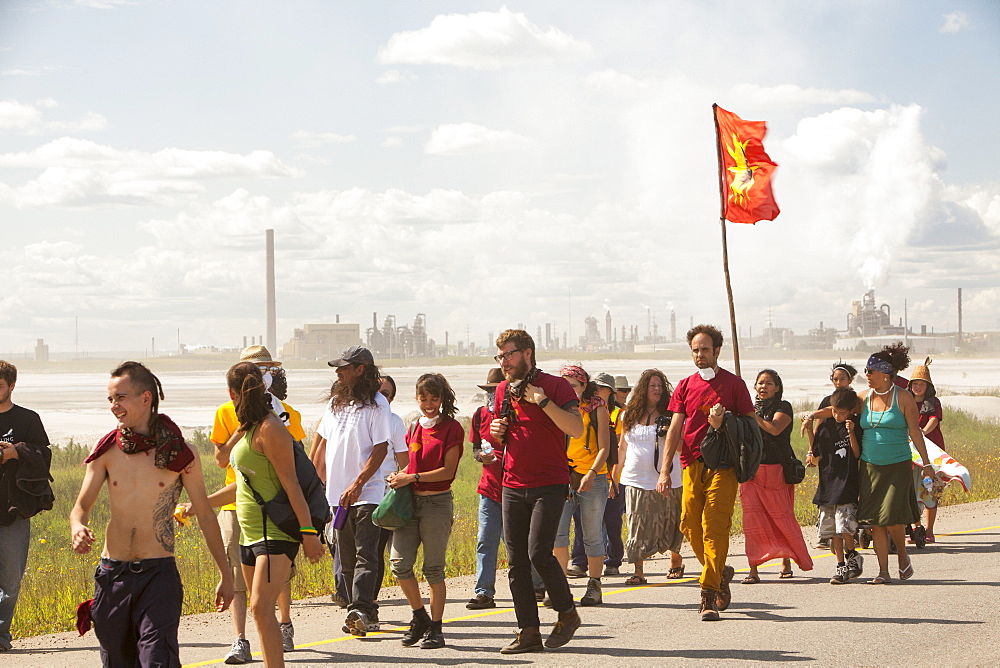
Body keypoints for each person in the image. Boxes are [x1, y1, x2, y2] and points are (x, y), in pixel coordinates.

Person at [70, 361, 234, 667]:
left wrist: (226, 574)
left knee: (158, 659)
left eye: (121, 397)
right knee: (118, 661)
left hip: (158, 575)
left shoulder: (180, 454)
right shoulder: (106, 450)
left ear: (146, 398)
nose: (114, 406)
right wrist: (78, 526)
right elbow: (80, 508)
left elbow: (206, 516)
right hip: (112, 575)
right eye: (110, 400)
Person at [487, 329, 584, 653]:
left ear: (527, 353)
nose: (504, 362)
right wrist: (497, 433)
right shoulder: (502, 390)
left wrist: (542, 400)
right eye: (499, 356)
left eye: (509, 355)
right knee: (516, 563)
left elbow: (575, 427)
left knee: (538, 553)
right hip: (513, 484)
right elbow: (502, 436)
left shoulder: (555, 386)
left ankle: (567, 614)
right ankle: (528, 631)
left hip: (550, 483)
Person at [209, 345, 307, 663]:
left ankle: (284, 623)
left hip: (275, 513)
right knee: (244, 586)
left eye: (265, 369)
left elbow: (292, 472)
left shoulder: (284, 415)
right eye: (254, 369)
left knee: (270, 592)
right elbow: (222, 459)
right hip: (238, 504)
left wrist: (307, 529)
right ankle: (241, 639)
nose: (261, 375)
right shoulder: (227, 412)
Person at [227, 362, 324, 668]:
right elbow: (238, 479)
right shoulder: (249, 429)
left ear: (232, 393)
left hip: (276, 532)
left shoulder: (270, 428)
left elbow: (291, 483)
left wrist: (309, 534)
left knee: (259, 606)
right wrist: (199, 502)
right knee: (261, 612)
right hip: (250, 531)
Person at [656, 325, 755, 621]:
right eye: (696, 350)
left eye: (706, 350)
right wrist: (665, 470)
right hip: (691, 464)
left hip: (723, 465)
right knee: (688, 523)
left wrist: (726, 422)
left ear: (717, 351)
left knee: (715, 528)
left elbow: (750, 426)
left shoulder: (734, 384)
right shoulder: (685, 385)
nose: (700, 355)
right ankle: (719, 569)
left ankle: (708, 593)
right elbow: (675, 428)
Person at [309, 345, 390, 636]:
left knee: (366, 554)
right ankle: (359, 609)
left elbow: (381, 449)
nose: (338, 372)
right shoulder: (335, 404)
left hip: (367, 494)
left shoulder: (378, 404)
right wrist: (315, 483)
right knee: (345, 557)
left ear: (360, 369)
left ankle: (361, 608)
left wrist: (358, 484)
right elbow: (323, 444)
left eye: (344, 367)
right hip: (337, 496)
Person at [388, 373, 464, 650]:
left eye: (434, 398)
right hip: (410, 504)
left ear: (442, 399)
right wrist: (399, 476)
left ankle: (437, 627)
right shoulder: (413, 427)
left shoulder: (452, 428)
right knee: (399, 564)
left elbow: (448, 470)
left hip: (437, 503)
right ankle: (419, 616)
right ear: (416, 398)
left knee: (433, 570)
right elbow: (410, 465)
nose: (429, 404)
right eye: (423, 398)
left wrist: (413, 477)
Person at [854, 343, 934, 584]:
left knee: (892, 517)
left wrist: (927, 463)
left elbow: (915, 432)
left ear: (885, 374)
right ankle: (883, 572)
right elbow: (838, 409)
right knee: (876, 521)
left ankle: (901, 555)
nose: (867, 375)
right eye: (866, 371)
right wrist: (812, 416)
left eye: (871, 371)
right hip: (870, 466)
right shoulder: (862, 397)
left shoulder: (904, 397)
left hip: (898, 464)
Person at [740, 369, 813, 583]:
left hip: (776, 470)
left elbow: (774, 429)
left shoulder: (783, 407)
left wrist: (751, 415)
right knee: (752, 521)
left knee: (781, 518)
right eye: (760, 383)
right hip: (751, 471)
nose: (763, 387)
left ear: (777, 387)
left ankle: (787, 560)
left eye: (768, 383)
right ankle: (753, 569)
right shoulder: (747, 409)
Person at [0, 361, 53, 652]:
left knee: (10, 580)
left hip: (13, 509)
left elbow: (44, 456)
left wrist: (15, 453)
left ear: (11, 386)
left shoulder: (27, 419)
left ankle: (0, 636)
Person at [615, 368, 684, 585]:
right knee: (636, 523)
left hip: (668, 478)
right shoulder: (628, 415)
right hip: (635, 478)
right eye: (652, 386)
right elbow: (622, 448)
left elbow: (683, 448)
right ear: (643, 389)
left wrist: (667, 432)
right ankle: (638, 570)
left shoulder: (673, 416)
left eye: (660, 386)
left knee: (670, 521)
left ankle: (675, 562)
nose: (656, 389)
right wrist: (613, 478)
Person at [553, 365, 611, 607]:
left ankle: (594, 584)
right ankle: (559, 587)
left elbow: (605, 448)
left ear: (584, 385)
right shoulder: (557, 408)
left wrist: (591, 473)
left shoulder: (597, 408)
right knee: (557, 534)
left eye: (574, 386)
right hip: (563, 476)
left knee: (592, 534)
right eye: (564, 386)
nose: (569, 391)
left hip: (593, 477)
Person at [805, 386, 864, 584]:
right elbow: (816, 455)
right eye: (835, 412)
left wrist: (851, 433)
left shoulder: (854, 425)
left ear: (851, 411)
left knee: (845, 528)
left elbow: (856, 453)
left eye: (843, 413)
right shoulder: (825, 426)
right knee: (831, 532)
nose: (838, 416)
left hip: (846, 484)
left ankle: (852, 555)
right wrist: (809, 430)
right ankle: (840, 566)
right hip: (827, 485)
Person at [568, 372, 624, 578]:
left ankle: (605, 568)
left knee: (604, 525)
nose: (599, 391)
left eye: (603, 388)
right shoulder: (568, 409)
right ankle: (575, 567)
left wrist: (610, 478)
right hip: (571, 475)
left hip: (600, 475)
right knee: (570, 528)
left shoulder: (607, 411)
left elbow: (613, 448)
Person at [801, 361, 858, 549]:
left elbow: (823, 414)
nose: (839, 382)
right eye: (835, 379)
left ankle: (850, 535)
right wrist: (811, 450)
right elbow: (820, 424)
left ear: (850, 379)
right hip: (829, 451)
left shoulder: (855, 401)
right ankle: (826, 534)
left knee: (845, 496)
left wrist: (812, 415)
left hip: (848, 456)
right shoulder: (828, 401)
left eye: (842, 378)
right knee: (827, 492)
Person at [467, 367, 506, 610]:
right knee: (485, 540)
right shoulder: (480, 415)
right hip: (489, 488)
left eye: (498, 391)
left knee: (519, 544)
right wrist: (482, 456)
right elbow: (474, 449)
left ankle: (534, 586)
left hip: (516, 489)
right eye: (490, 392)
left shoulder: (518, 414)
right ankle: (484, 592)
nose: (493, 396)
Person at [908, 358, 944, 542]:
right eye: (915, 384)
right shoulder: (905, 400)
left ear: (927, 386)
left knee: (931, 489)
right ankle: (916, 528)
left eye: (922, 384)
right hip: (911, 452)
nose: (918, 387)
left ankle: (929, 531)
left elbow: (933, 420)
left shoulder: (934, 402)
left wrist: (920, 433)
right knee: (912, 489)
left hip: (932, 451)